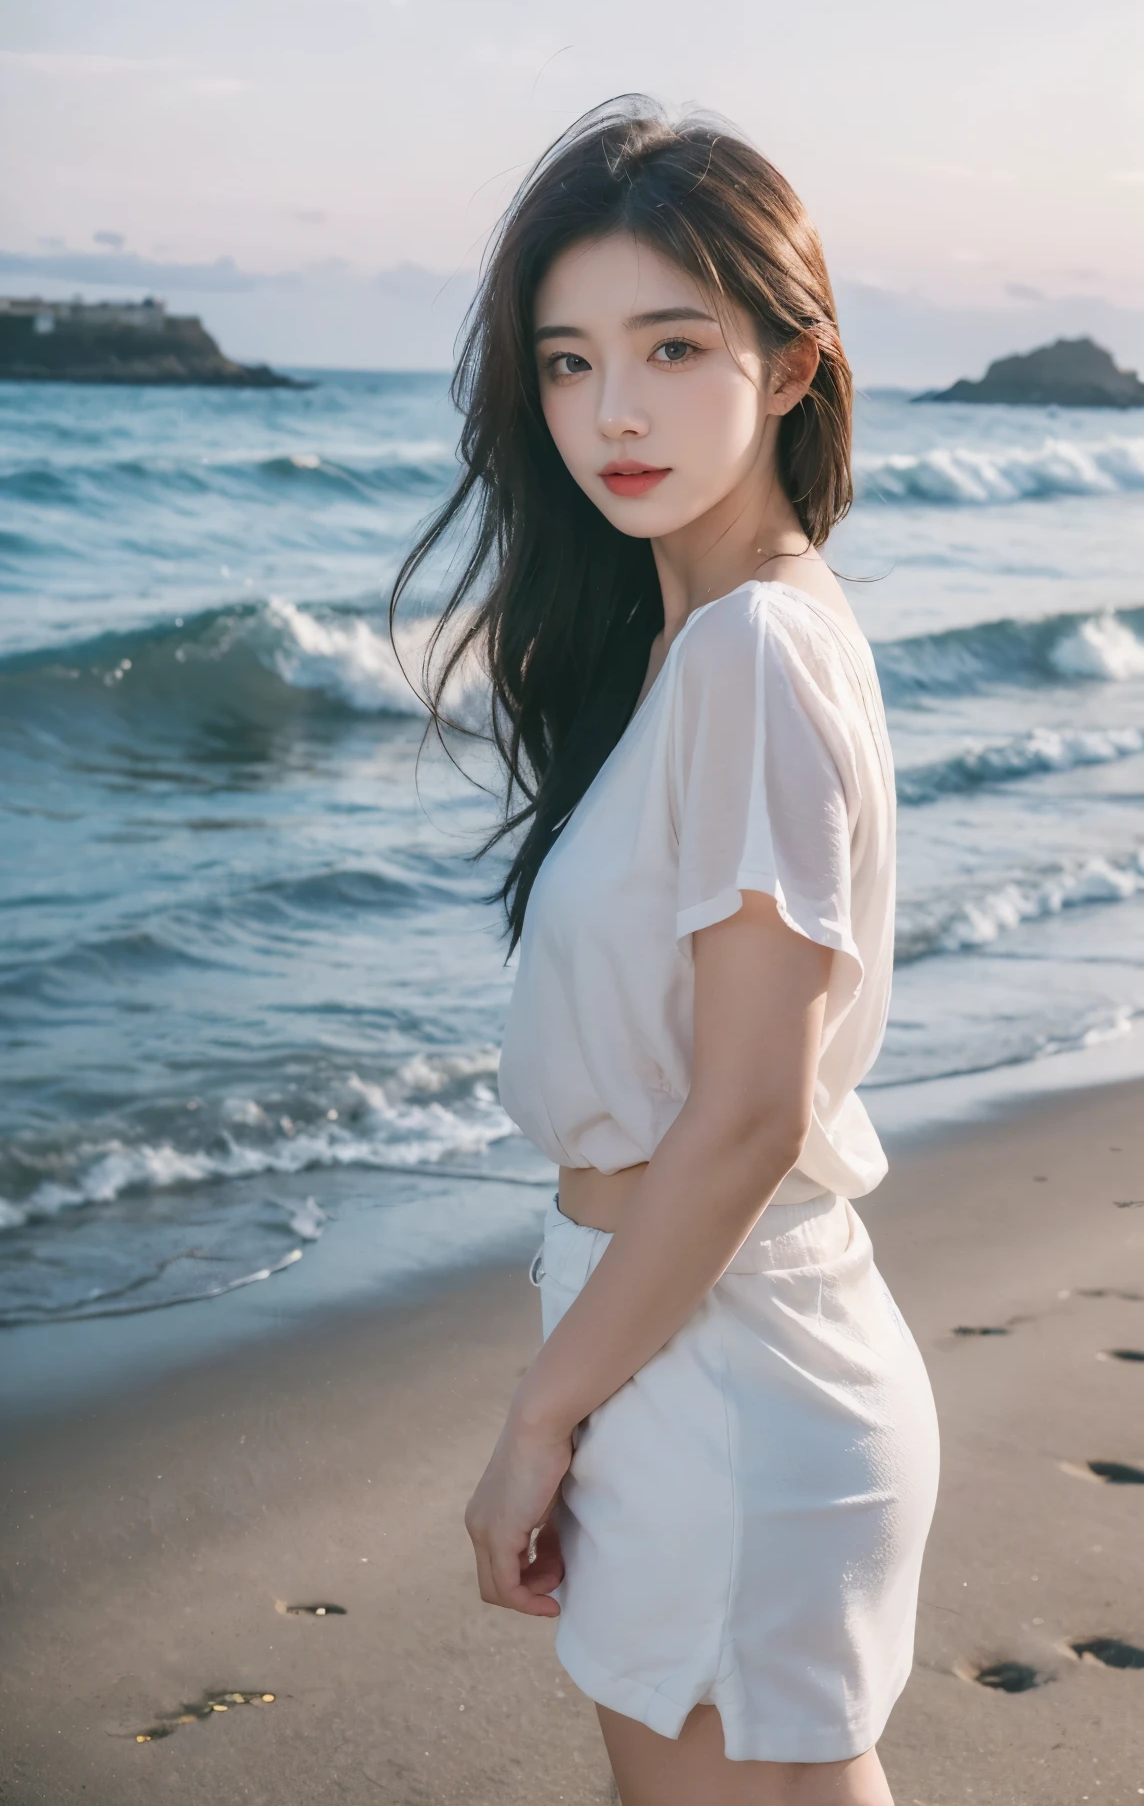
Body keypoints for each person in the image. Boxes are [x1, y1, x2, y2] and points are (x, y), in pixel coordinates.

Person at [391, 98, 940, 1806]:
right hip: (706, 1346)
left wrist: (540, 1420)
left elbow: (747, 1112)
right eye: (565, 363)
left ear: (791, 366)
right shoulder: (707, 635)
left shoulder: (752, 653)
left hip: (720, 1376)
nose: (610, 412)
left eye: (673, 345)